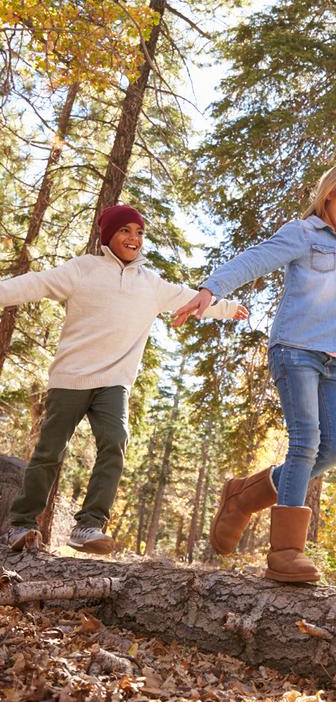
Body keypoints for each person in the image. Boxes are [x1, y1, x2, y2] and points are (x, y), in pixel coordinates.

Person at [172, 160, 336, 583]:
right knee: (306, 441)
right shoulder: (302, 234)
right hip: (294, 351)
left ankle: (243, 496)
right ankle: (286, 552)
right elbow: (254, 260)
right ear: (330, 193)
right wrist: (210, 290)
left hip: (331, 362)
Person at [2, 204, 247, 554]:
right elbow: (34, 284)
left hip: (114, 382)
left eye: (139, 232)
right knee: (49, 453)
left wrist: (226, 308)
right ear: (108, 236)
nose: (134, 238)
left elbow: (191, 298)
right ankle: (21, 524)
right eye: (125, 231)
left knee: (115, 441)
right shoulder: (83, 270)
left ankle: (88, 525)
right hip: (71, 379)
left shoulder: (150, 284)